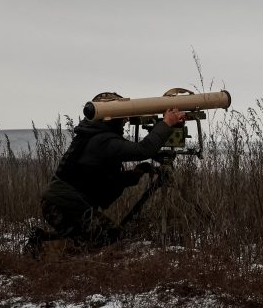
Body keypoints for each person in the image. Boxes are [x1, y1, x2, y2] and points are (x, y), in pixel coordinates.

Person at [38, 92, 186, 249]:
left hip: (60, 203)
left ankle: (43, 240)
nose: (125, 121)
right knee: (107, 236)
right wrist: (166, 124)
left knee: (86, 235)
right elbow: (144, 150)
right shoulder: (103, 141)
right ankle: (63, 260)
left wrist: (134, 175)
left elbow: (102, 180)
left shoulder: (94, 136)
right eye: (121, 117)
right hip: (62, 204)